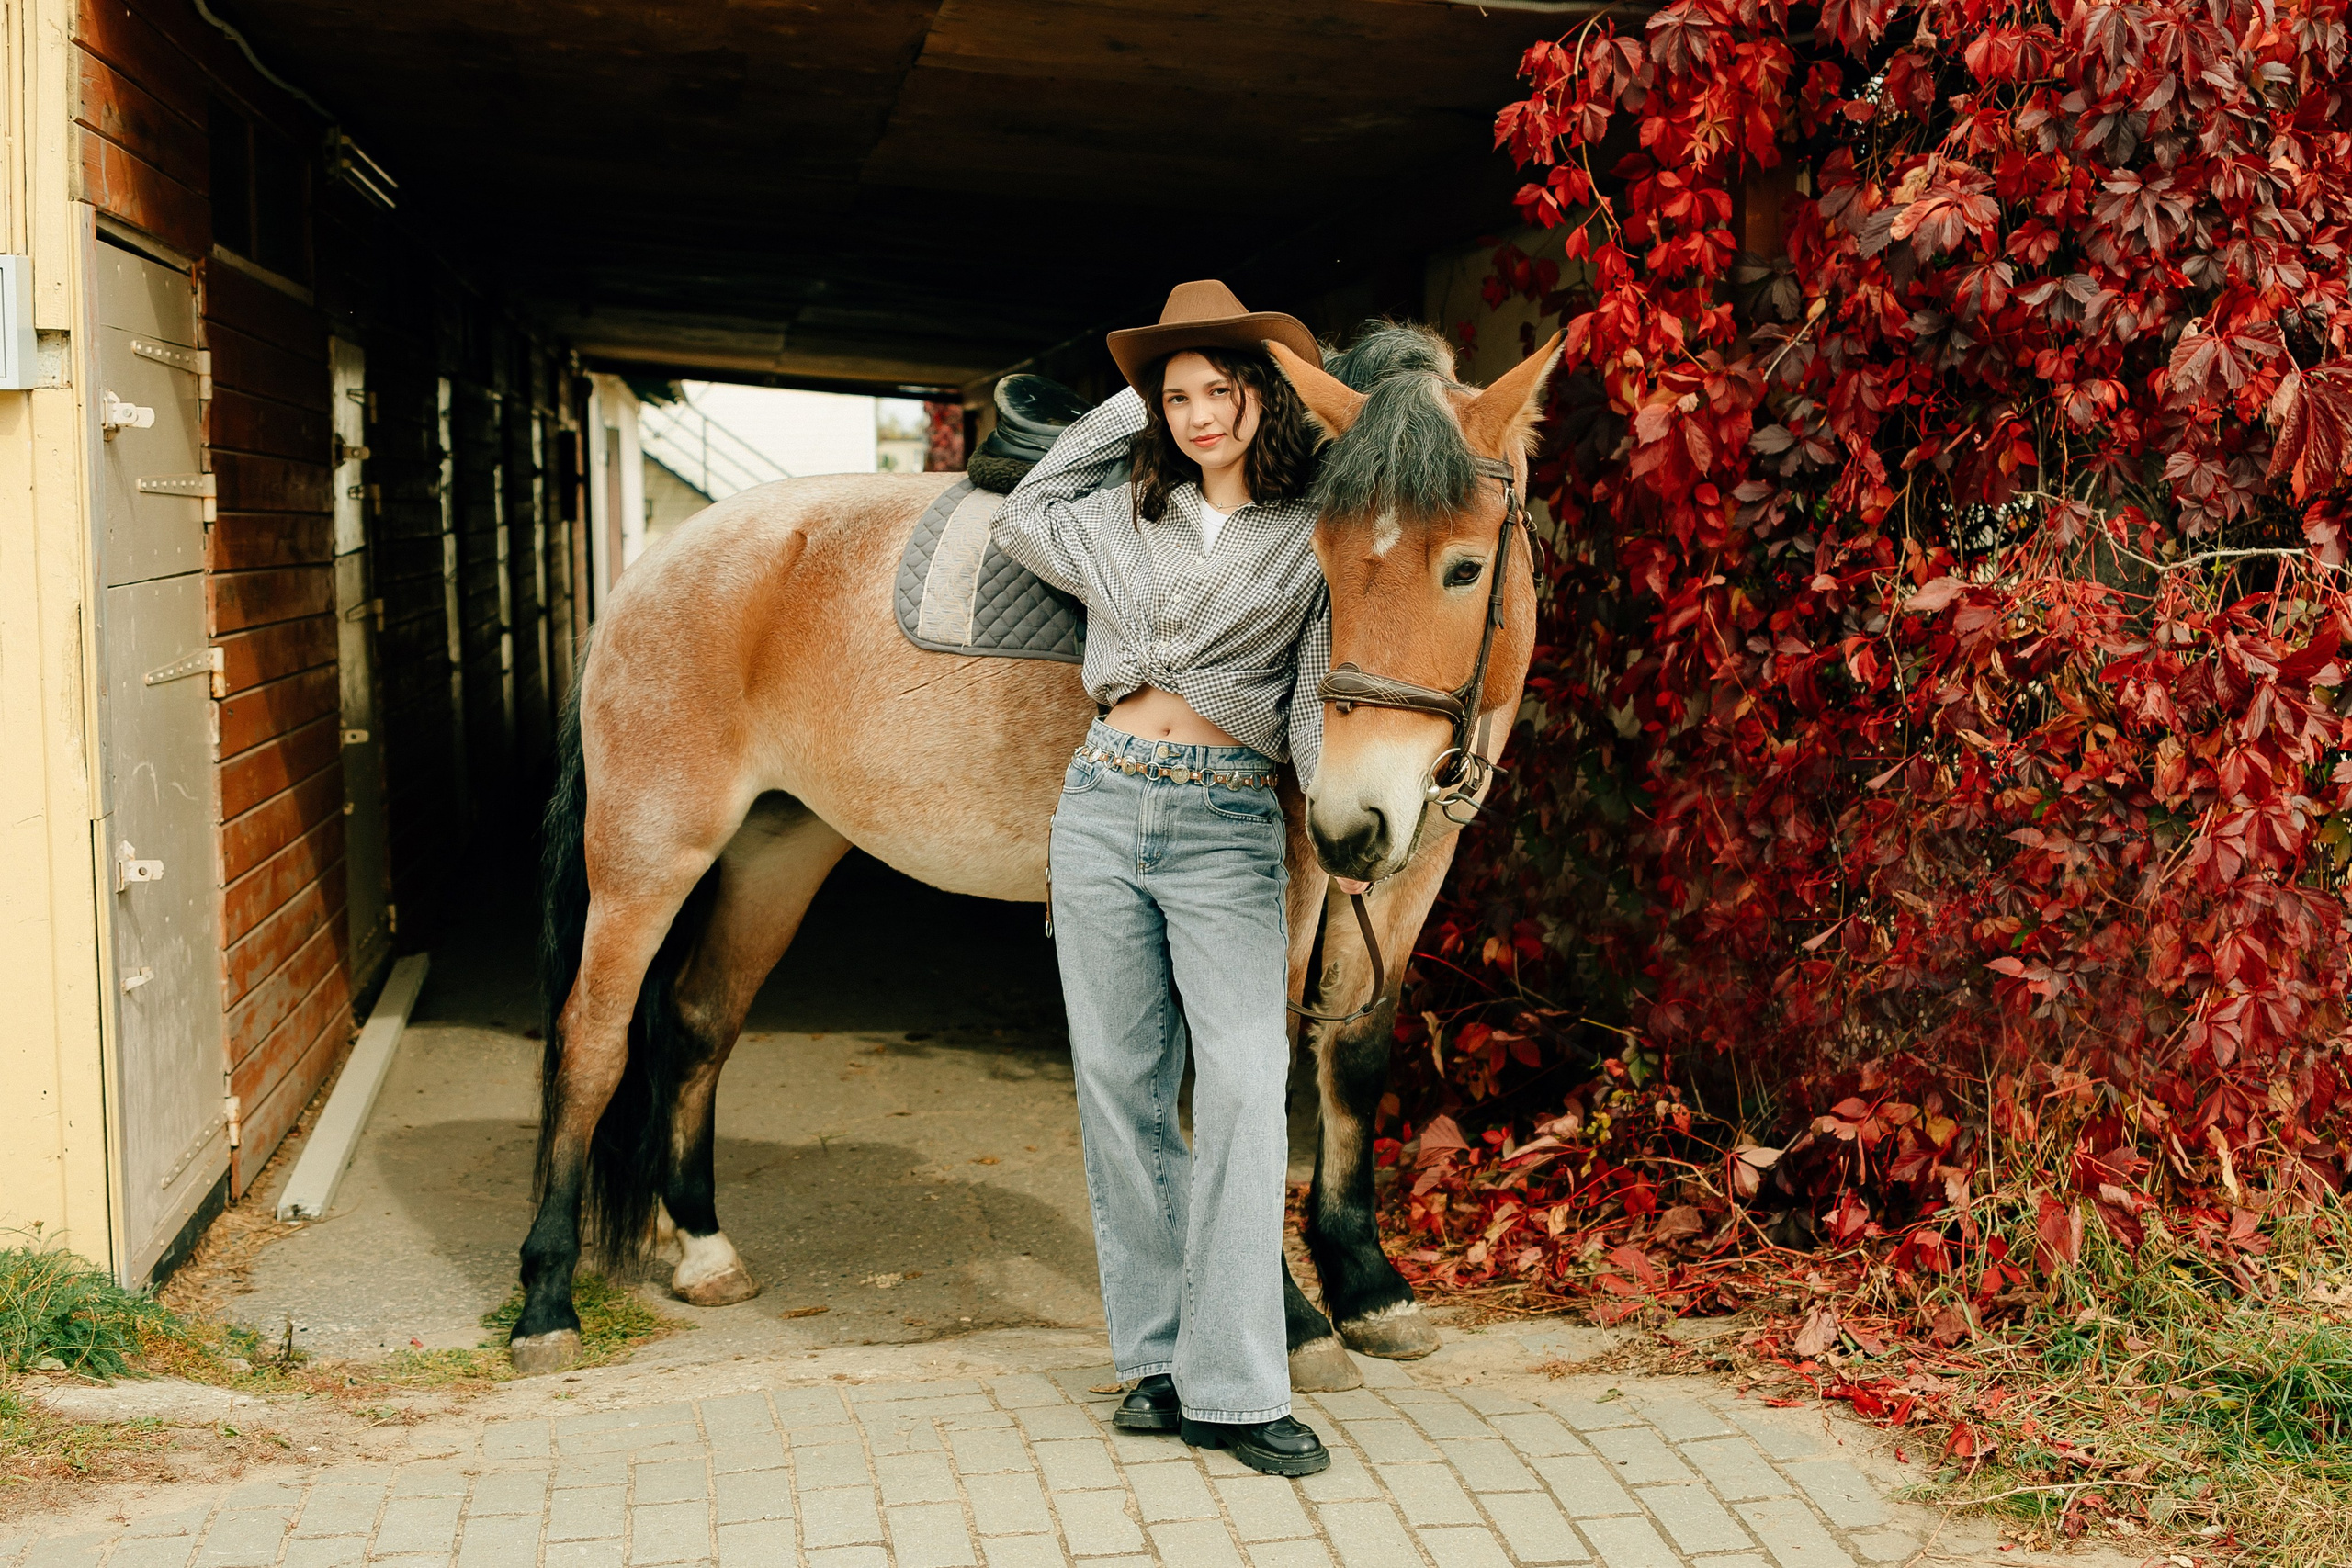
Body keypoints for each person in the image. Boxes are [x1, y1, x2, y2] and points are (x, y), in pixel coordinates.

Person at [989, 280, 1337, 1477]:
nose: (1200, 415)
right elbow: (1024, 511)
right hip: (1099, 808)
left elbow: (1312, 703)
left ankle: (1237, 1389)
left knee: (1243, 1085)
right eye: (1177, 396)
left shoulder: (1312, 536)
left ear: (1262, 396)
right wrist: (1123, 402)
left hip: (1225, 823)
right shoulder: (1117, 516)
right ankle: (1153, 1362)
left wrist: (1349, 830)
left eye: (1220, 390)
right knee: (1121, 1089)